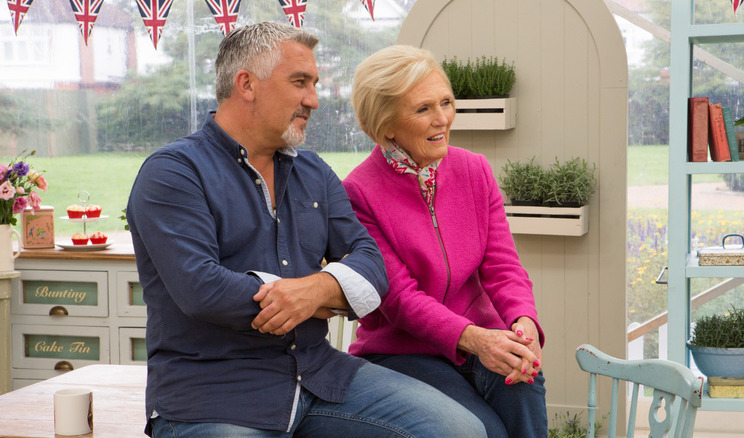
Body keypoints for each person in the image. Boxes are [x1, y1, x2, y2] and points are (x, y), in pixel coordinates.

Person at [127, 23, 488, 438]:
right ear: (246, 84)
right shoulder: (173, 172)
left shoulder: (313, 172)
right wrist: (314, 295)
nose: (313, 100)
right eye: (300, 82)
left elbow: (372, 266)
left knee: (459, 430)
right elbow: (203, 290)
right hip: (212, 393)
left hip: (319, 375)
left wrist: (315, 292)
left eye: (314, 84)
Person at [343, 45, 548, 438]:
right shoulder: (357, 193)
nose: (442, 119)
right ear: (387, 124)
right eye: (422, 109)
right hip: (403, 353)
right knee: (484, 432)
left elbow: (504, 267)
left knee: (524, 381)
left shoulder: (475, 170)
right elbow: (399, 299)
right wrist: (476, 339)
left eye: (446, 103)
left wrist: (523, 324)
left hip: (482, 338)